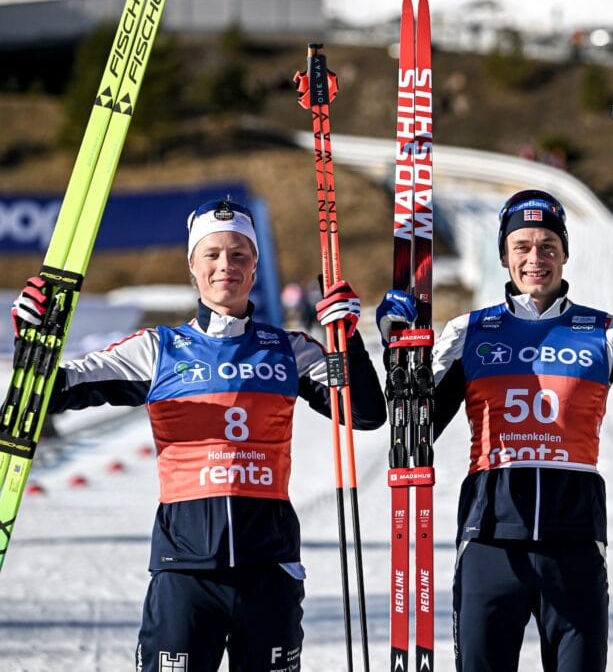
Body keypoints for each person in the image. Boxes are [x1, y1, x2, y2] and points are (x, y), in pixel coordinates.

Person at [11, 198, 387, 671]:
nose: (225, 266)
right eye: (211, 255)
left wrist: (347, 339)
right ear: (192, 267)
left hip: (268, 570)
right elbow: (48, 394)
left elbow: (368, 414)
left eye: (239, 255)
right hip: (184, 575)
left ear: (255, 269)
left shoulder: (290, 350)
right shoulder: (157, 350)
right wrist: (33, 338)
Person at [376, 189, 613, 671]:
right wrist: (401, 356)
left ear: (565, 253)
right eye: (521, 246)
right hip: (490, 541)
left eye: (547, 245)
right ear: (503, 255)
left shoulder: (606, 332)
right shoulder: (468, 332)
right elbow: (412, 442)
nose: (535, 258)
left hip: (575, 545)